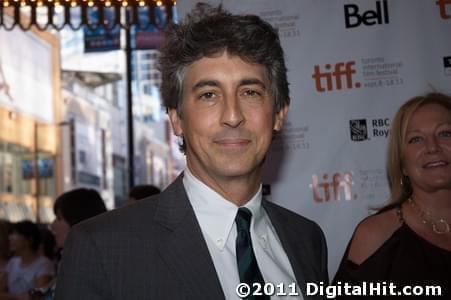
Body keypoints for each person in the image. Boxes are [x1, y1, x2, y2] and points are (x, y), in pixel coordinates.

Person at [55, 4, 328, 299]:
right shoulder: (102, 249)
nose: (232, 115)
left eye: (250, 92)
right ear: (176, 119)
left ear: (278, 114)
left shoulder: (306, 239)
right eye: (208, 95)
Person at [334, 92, 451, 298]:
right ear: (402, 164)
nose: (432, 147)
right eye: (416, 139)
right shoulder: (377, 236)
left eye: (445, 134)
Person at [0, 221, 54, 300]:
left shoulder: (44, 264)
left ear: (30, 239)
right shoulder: (12, 262)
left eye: (15, 234)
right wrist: (17, 297)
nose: (10, 238)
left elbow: (39, 296)